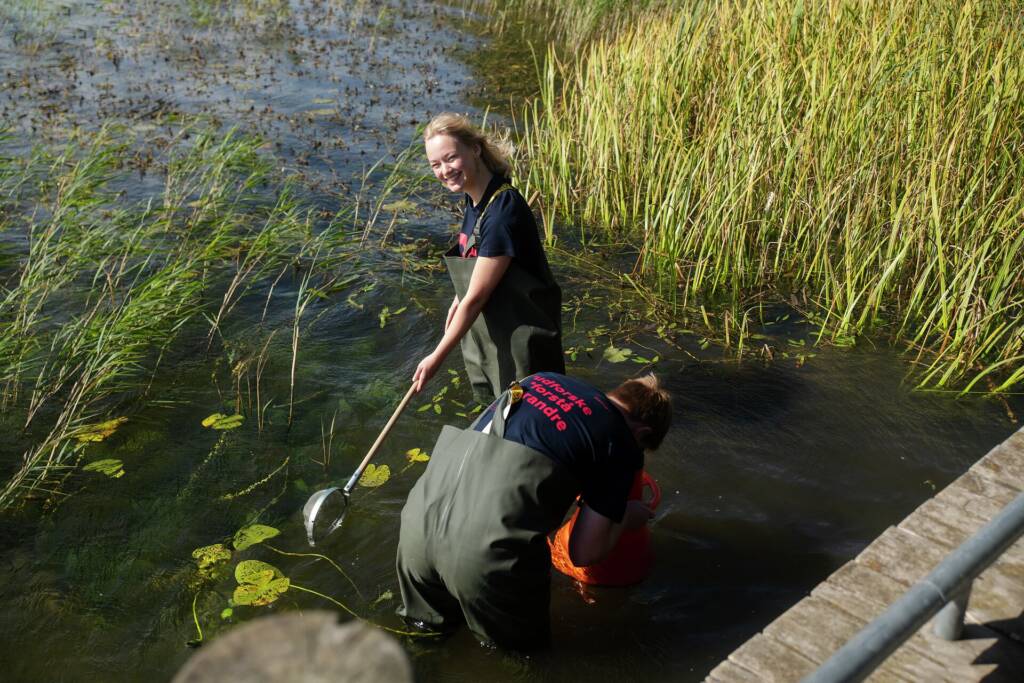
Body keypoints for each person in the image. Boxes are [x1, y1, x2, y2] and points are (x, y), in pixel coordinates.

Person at [396, 372, 672, 650]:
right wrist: (626, 516)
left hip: (417, 523)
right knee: (522, 660)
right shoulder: (620, 440)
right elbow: (584, 553)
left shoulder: (539, 379)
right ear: (642, 434)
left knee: (424, 638)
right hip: (485, 555)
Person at [412, 113, 564, 403]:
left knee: (528, 415)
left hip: (521, 342)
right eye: (435, 164)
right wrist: (458, 298)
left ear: (475, 149)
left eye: (451, 158)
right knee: (497, 413)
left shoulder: (501, 212)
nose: (444, 170)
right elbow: (476, 260)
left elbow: (478, 298)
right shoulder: (475, 198)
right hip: (494, 337)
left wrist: (436, 358)